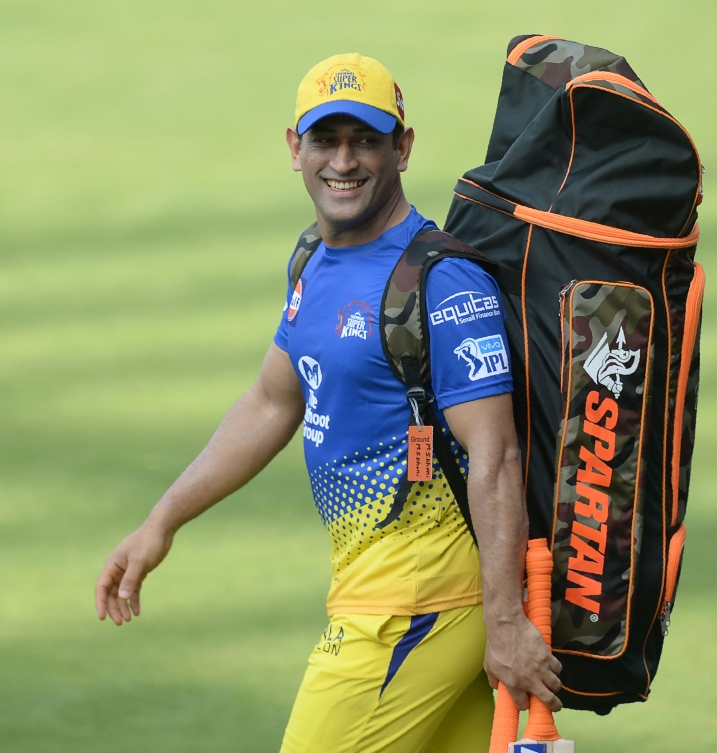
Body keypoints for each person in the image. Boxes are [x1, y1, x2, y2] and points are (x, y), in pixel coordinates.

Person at [94, 53, 562, 753]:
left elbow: (495, 454)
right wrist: (163, 520)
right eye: (327, 141)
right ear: (295, 149)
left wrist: (505, 625)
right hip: (393, 603)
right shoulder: (314, 258)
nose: (345, 161)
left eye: (367, 140)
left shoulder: (443, 281)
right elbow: (271, 401)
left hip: (417, 611)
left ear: (402, 147)